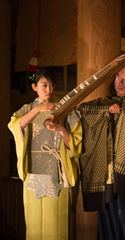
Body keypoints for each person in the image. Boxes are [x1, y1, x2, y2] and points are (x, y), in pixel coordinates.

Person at [78, 65, 125, 240]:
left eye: (124, 78)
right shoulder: (105, 103)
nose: (120, 82)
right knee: (108, 229)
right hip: (106, 178)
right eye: (116, 77)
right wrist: (106, 110)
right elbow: (83, 110)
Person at [8, 69, 82, 240]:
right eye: (44, 85)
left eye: (51, 85)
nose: (49, 89)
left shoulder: (65, 109)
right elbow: (15, 126)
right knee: (34, 226)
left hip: (56, 173)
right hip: (34, 173)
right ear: (34, 87)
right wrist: (37, 110)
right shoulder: (27, 109)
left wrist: (61, 129)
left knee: (56, 227)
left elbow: (76, 143)